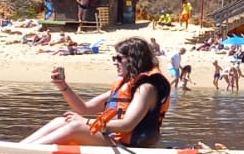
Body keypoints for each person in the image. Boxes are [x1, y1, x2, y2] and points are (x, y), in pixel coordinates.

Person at [23, 37, 172, 148]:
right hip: (113, 140)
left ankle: (27, 153)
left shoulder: (146, 88)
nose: (115, 62)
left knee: (77, 127)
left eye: (119, 58)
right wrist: (63, 86)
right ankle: (21, 148)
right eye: (114, 58)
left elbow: (127, 125)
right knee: (61, 121)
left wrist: (85, 122)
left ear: (134, 60)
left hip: (132, 147)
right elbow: (84, 109)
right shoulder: (124, 86)